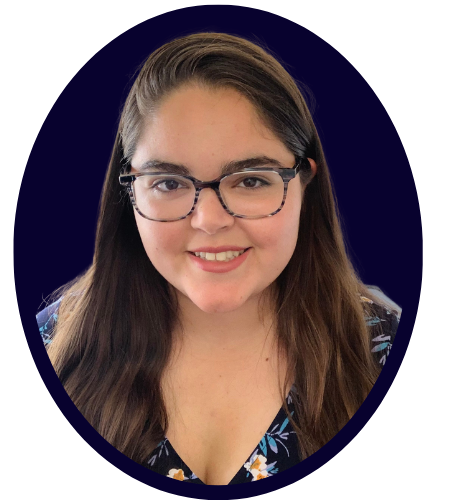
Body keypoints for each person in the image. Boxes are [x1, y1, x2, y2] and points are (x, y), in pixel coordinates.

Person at [36, 32, 400, 485]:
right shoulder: (48, 349)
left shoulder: (392, 353)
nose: (209, 220)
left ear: (304, 183)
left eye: (250, 180)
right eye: (168, 183)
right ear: (129, 190)